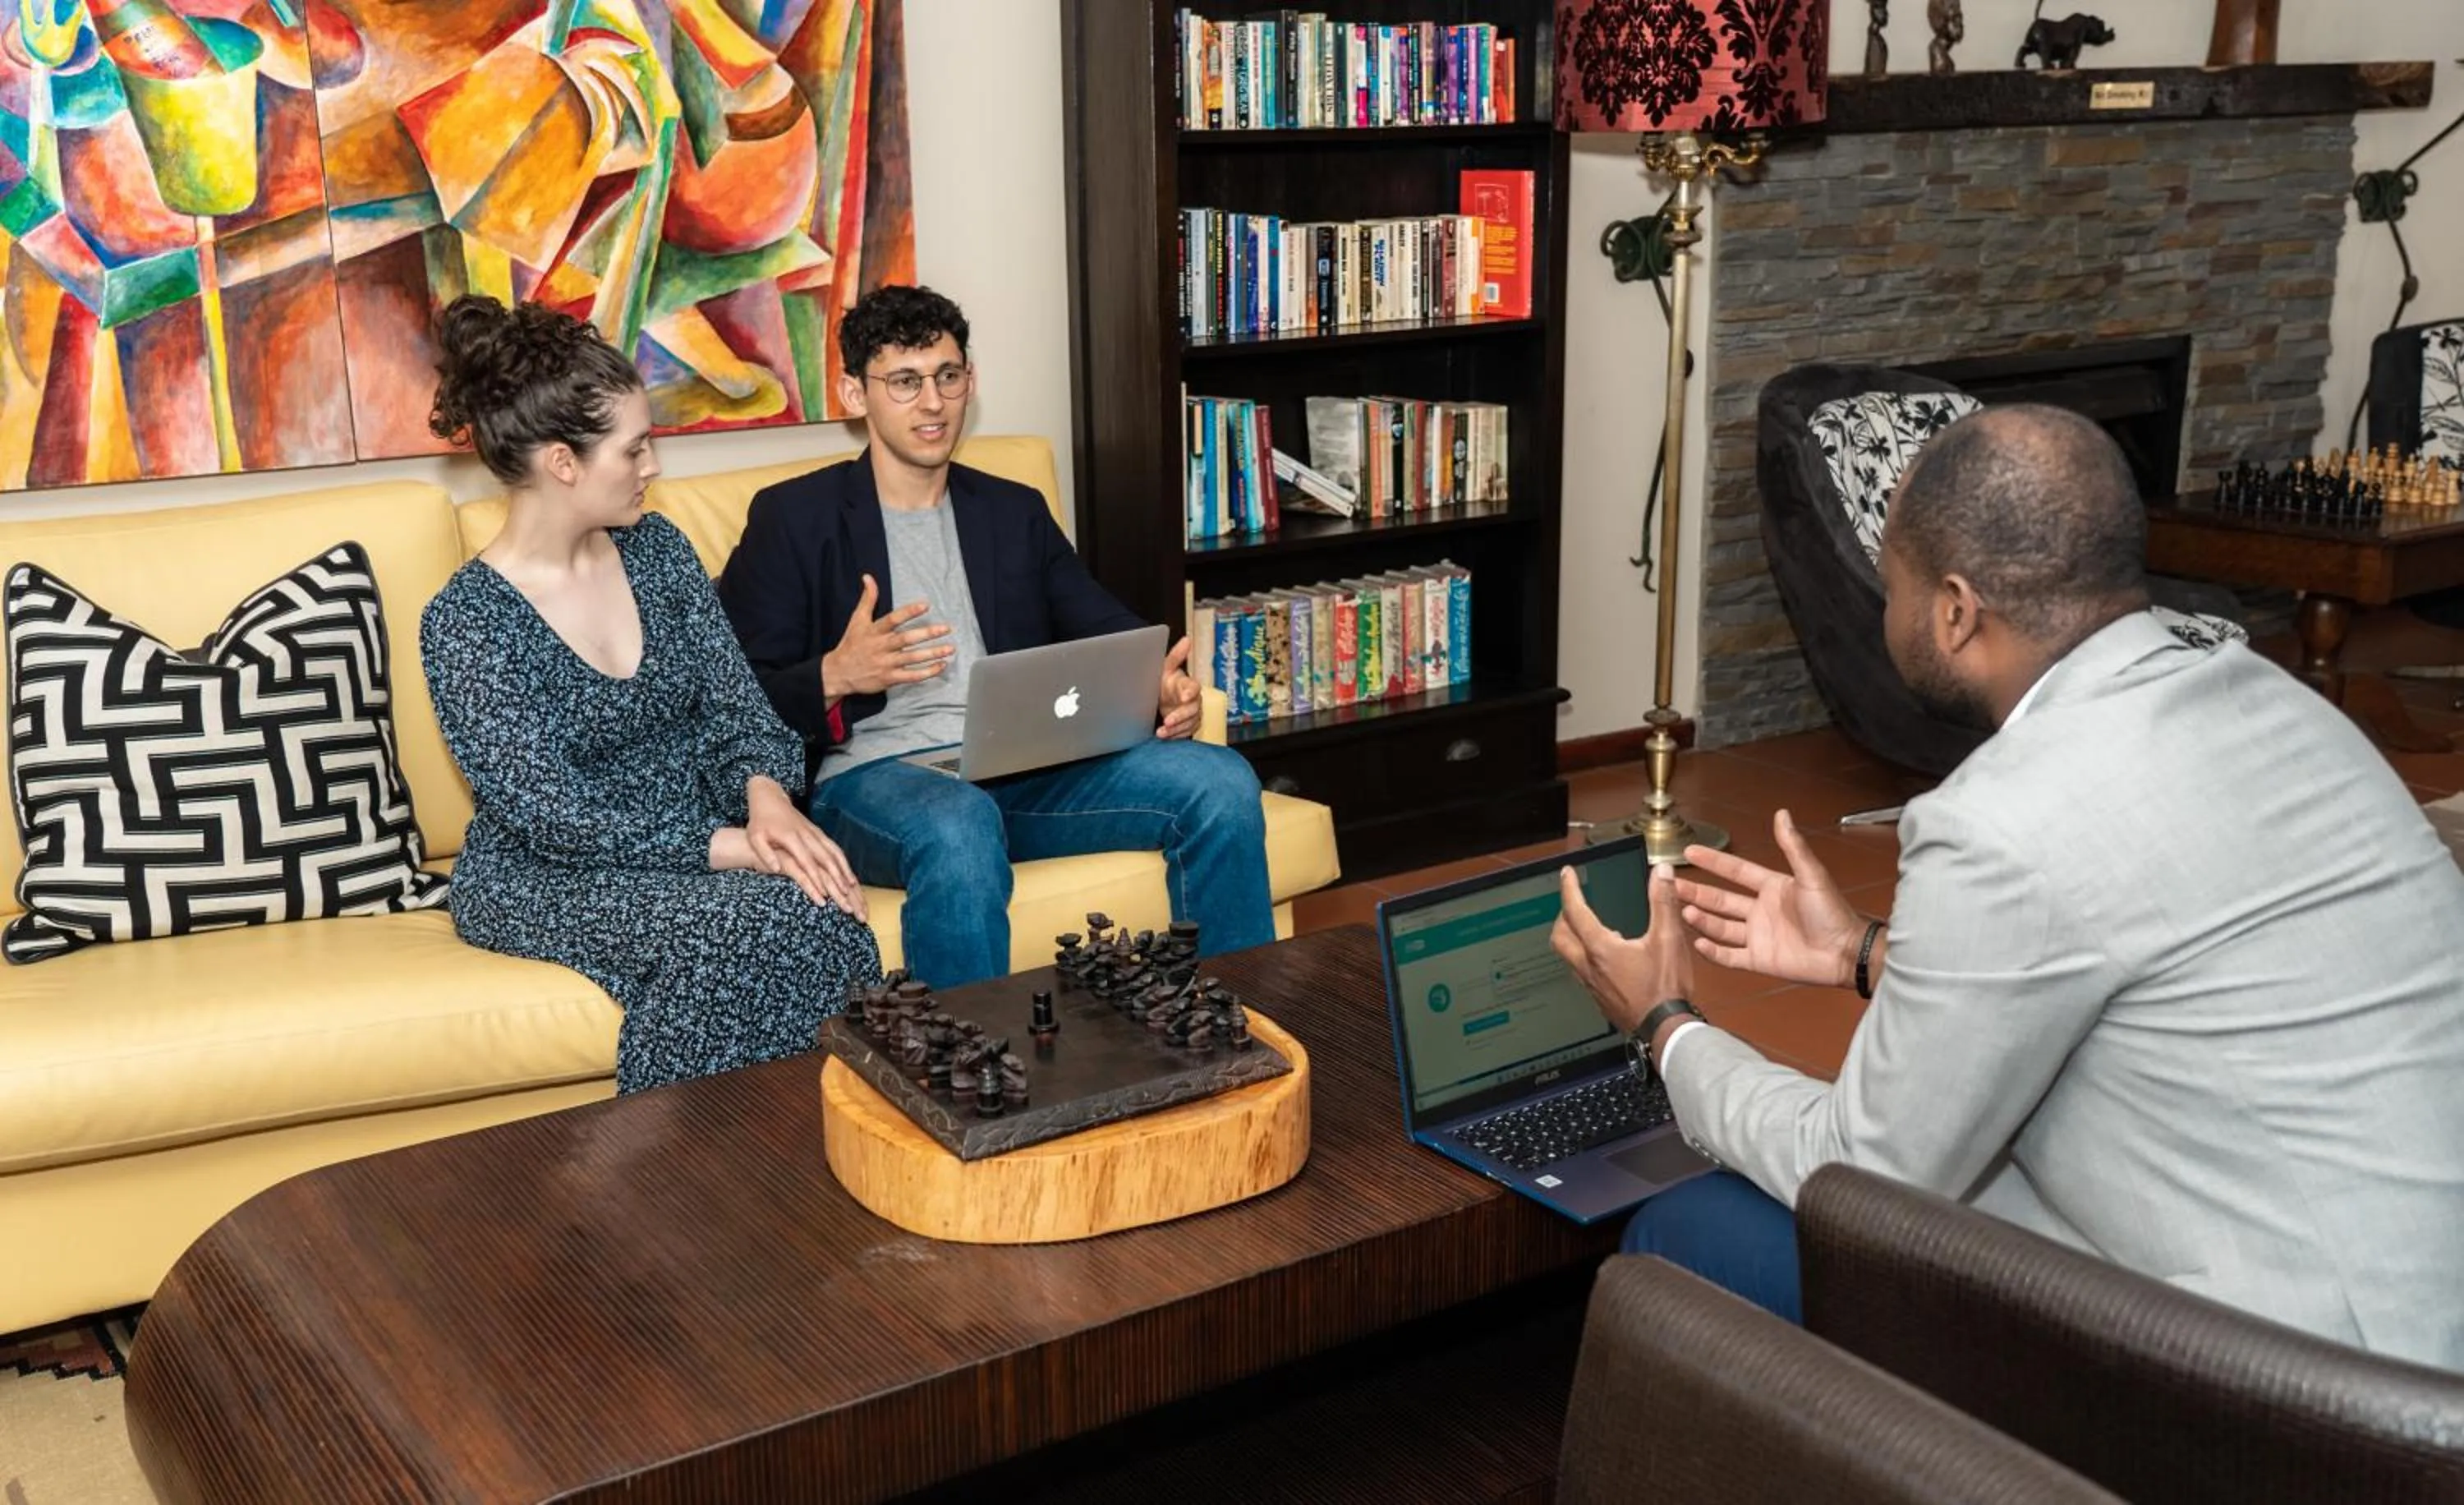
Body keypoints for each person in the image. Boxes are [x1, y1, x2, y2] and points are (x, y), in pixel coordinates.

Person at [1551, 404, 2464, 1367]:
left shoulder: (2004, 814)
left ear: (1954, 609)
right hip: (2415, 1296)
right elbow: (2144, 950)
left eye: (1891, 585)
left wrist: (1666, 1026)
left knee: (1692, 1234)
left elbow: (1860, 1174)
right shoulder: (2277, 698)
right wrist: (1863, 950)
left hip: (2313, 1391)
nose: (1885, 611)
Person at [714, 285, 1273, 988]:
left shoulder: (1012, 511)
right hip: (873, 782)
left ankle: (1232, 1024)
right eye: (905, 382)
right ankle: (966, 1074)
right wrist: (836, 673)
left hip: (1024, 769)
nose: (932, 403)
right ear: (855, 394)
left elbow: (1105, 629)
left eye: (948, 377)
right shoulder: (794, 519)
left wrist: (1162, 684)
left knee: (1219, 782)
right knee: (958, 823)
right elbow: (725, 695)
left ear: (969, 382)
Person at [420, 295, 880, 1094]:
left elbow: (739, 706)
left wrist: (766, 801)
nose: (653, 468)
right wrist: (735, 849)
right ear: (563, 463)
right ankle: (667, 1186)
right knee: (747, 919)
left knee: (825, 911)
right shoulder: (464, 620)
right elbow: (555, 812)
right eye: (634, 451)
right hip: (546, 870)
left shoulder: (658, 552)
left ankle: (816, 1154)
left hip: (696, 839)